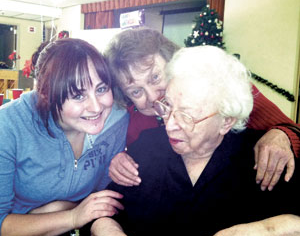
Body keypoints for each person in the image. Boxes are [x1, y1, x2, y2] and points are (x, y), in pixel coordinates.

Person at [90, 45, 300, 236]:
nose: (170, 125)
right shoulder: (147, 145)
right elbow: (102, 216)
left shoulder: (263, 157)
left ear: (226, 121)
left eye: (187, 116)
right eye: (168, 107)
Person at [105, 27, 299, 192]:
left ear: (172, 62)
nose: (153, 97)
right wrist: (120, 160)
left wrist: (281, 134)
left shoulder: (221, 90)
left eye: (155, 78)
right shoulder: (136, 123)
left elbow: (289, 129)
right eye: (136, 91)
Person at [0, 38, 128, 236]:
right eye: (78, 95)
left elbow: (100, 199)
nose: (96, 107)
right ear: (46, 95)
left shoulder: (116, 121)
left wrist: (63, 207)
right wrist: (72, 216)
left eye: (101, 88)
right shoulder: (8, 126)